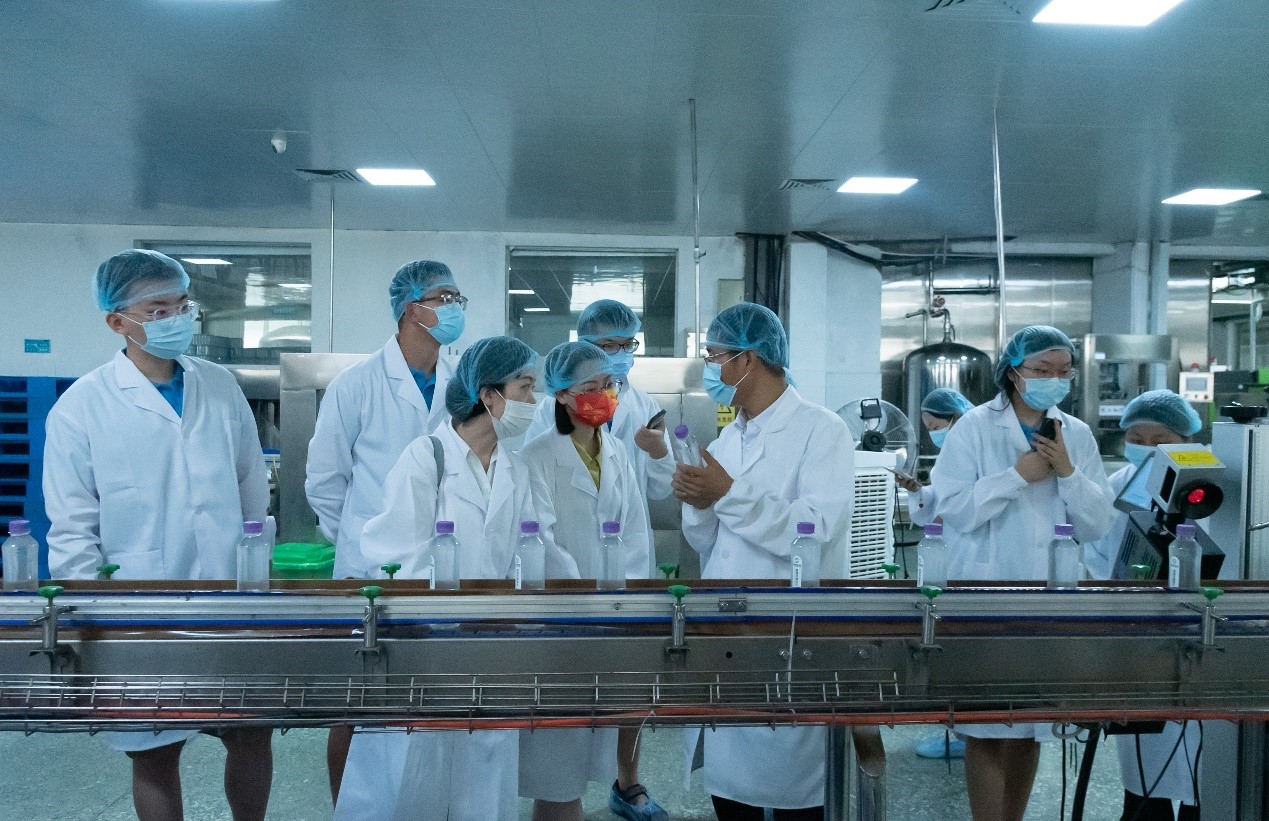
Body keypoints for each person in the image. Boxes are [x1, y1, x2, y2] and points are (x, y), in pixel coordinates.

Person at [43, 249, 272, 821]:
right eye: (158, 309)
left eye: (182, 305)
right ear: (117, 321)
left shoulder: (219, 385)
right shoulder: (80, 408)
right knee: (154, 749)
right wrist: (86, 616)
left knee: (250, 732)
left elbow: (251, 486)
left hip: (229, 596)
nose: (176, 319)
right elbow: (72, 527)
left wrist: (258, 573)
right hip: (137, 607)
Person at [334, 336, 576, 821]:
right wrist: (459, 610)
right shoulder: (426, 459)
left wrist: (576, 603)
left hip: (493, 653)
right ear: (489, 396)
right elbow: (394, 559)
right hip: (424, 655)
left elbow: (539, 549)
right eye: (525, 387)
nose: (534, 401)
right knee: (412, 780)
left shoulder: (515, 468)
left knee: (482, 783)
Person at [672, 302, 856, 821]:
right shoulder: (729, 437)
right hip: (726, 630)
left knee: (796, 792)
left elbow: (813, 530)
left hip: (790, 635)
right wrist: (697, 499)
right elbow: (707, 541)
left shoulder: (821, 430)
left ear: (748, 359)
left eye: (716, 357)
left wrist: (726, 493)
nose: (711, 369)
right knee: (731, 792)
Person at [930, 325, 1114, 821]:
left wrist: (1068, 473)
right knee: (987, 726)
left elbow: (1097, 524)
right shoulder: (973, 428)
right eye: (1041, 370)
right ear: (1013, 372)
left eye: (1063, 371)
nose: (1054, 379)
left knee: (1030, 727)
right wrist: (1017, 476)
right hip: (985, 594)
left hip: (1050, 596)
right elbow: (952, 508)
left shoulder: (1075, 434)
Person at [304, 259, 465, 802]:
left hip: (442, 563)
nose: (455, 308)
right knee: (356, 704)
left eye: (457, 298)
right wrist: (362, 539)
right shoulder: (356, 384)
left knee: (432, 700)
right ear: (411, 309)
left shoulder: (462, 384)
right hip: (368, 570)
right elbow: (325, 481)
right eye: (444, 298)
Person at [522, 300, 674, 821]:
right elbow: (538, 533)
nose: (607, 394)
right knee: (561, 734)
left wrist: (620, 591)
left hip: (618, 601)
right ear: (562, 393)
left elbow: (634, 525)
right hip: (565, 606)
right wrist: (581, 592)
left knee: (621, 700)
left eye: (610, 383)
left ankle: (625, 784)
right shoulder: (539, 446)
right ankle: (559, 801)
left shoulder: (619, 444)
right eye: (593, 385)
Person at [1082, 390, 1203, 821]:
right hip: (1135, 633)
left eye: (1160, 439)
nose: (1147, 448)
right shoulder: (1118, 486)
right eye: (1137, 439)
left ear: (1186, 439)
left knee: (1202, 761)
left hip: (1199, 634)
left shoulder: (1208, 485)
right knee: (1144, 756)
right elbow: (1096, 555)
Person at [891, 387, 974, 760]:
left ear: (955, 418)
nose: (933, 433)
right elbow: (932, 510)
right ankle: (958, 730)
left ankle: (967, 733)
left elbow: (961, 507)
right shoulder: (947, 460)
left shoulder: (976, 453)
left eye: (936, 425)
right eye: (927, 427)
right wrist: (917, 491)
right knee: (950, 644)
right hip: (948, 557)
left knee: (963, 648)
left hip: (969, 560)